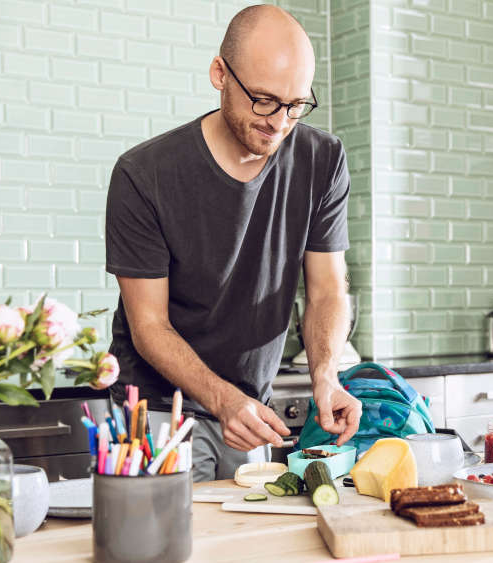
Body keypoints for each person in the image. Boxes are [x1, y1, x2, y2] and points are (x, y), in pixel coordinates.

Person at [103, 4, 362, 482]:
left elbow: (327, 290)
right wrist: (222, 400)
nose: (279, 122)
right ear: (219, 74)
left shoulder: (323, 160)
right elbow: (149, 325)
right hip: (160, 412)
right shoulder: (144, 175)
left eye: (295, 105)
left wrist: (326, 378)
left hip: (250, 408)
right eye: (263, 100)